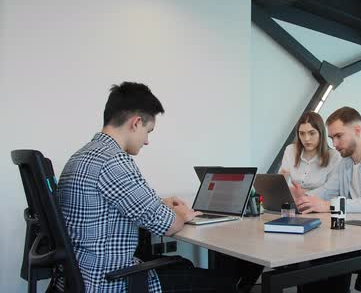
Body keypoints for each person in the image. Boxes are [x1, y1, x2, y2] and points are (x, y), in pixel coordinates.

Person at [55, 82, 241, 292]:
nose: (147, 141)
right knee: (223, 284)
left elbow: (112, 202)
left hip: (83, 274)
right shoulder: (114, 161)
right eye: (148, 131)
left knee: (183, 264)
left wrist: (160, 203)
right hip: (110, 281)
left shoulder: (84, 155)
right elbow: (168, 226)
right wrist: (183, 213)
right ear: (136, 123)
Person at [289, 107, 361, 293]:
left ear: (357, 131)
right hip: (357, 232)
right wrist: (304, 199)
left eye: (339, 136)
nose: (334, 144)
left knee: (327, 257)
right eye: (331, 138)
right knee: (311, 252)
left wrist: (328, 206)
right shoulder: (344, 163)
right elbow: (327, 191)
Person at [279, 111, 341, 191]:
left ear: (320, 133)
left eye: (312, 133)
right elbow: (281, 181)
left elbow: (332, 191)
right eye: (302, 133)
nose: (306, 139)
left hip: (318, 202)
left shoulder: (334, 156)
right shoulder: (290, 150)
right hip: (294, 201)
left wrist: (303, 193)